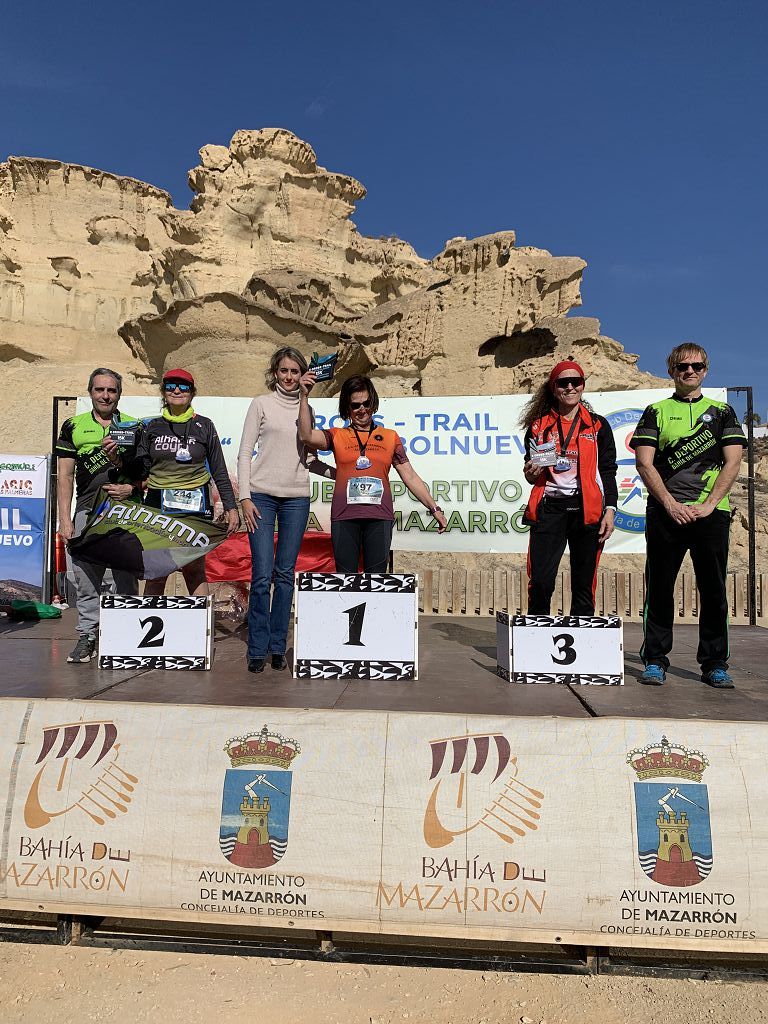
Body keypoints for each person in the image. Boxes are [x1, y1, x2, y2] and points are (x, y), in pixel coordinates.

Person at [630, 343, 746, 688]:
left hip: (711, 514)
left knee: (713, 590)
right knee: (660, 588)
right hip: (666, 512)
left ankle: (714, 663)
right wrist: (669, 503)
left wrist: (709, 504)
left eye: (696, 366)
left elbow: (734, 461)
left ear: (706, 370)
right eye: (682, 367)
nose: (690, 372)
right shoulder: (657, 411)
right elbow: (644, 462)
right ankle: (654, 659)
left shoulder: (723, 412)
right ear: (672, 371)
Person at [237, 346, 333, 675]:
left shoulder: (308, 406)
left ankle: (278, 646)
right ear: (275, 373)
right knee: (262, 576)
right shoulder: (260, 404)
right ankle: (256, 648)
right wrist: (245, 498)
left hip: (296, 497)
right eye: (284, 371)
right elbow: (245, 451)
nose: (289, 377)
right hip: (261, 496)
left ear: (304, 374)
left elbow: (307, 455)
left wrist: (337, 472)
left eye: (295, 371)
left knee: (285, 575)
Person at [298, 372, 448, 572]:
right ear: (347, 409)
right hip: (345, 516)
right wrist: (304, 396)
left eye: (366, 403)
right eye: (355, 405)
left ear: (374, 404)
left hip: (379, 517)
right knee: (346, 579)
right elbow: (306, 435)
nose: (362, 410)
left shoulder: (390, 437)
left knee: (376, 579)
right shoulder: (337, 435)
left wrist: (434, 508)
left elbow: (409, 476)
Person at [55, 368, 141, 663]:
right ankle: (88, 635)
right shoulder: (72, 426)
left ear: (119, 393)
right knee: (85, 577)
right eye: (99, 390)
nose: (106, 395)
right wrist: (65, 520)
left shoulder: (133, 426)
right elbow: (64, 477)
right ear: (90, 392)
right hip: (87, 510)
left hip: (124, 512)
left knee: (125, 575)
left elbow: (147, 473)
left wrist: (130, 487)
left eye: (112, 390)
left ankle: (127, 632)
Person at [521, 359, 618, 615]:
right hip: (550, 508)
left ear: (583, 386)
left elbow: (608, 470)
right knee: (541, 582)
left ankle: (583, 643)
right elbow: (531, 474)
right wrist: (531, 473)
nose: (571, 387)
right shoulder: (538, 426)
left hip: (587, 510)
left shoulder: (597, 426)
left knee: (584, 585)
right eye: (564, 383)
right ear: (554, 388)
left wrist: (611, 509)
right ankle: (537, 640)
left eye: (577, 382)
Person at [132, 369, 239, 597]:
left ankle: (201, 628)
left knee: (193, 569)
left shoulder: (205, 425)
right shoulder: (152, 427)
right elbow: (140, 468)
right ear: (163, 392)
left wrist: (231, 507)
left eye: (183, 386)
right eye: (171, 386)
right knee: (157, 571)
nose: (177, 390)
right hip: (157, 504)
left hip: (195, 505)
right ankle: (150, 622)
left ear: (192, 393)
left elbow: (219, 469)